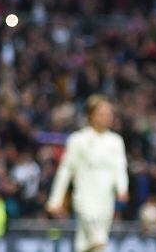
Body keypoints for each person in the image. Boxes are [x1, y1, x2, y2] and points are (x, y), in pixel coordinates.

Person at [45, 95, 128, 252]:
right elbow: (65, 170)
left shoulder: (115, 141)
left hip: (106, 199)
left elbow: (120, 167)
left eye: (109, 114)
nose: (107, 118)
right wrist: (55, 200)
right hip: (85, 197)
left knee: (84, 244)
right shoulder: (78, 140)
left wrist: (122, 188)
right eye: (102, 114)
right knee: (98, 239)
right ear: (91, 115)